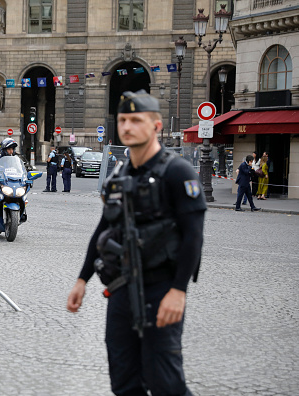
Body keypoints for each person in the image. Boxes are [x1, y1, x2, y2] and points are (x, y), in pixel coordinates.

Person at [67, 90, 207, 395]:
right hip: (121, 290)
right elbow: (104, 227)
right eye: (122, 120)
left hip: (160, 289)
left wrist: (179, 291)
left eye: (136, 120)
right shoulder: (119, 174)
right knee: (123, 380)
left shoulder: (177, 171)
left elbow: (193, 237)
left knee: (165, 383)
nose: (127, 126)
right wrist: (82, 279)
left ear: (156, 125)